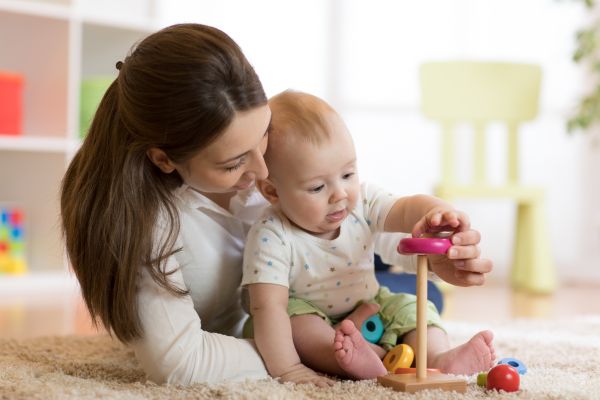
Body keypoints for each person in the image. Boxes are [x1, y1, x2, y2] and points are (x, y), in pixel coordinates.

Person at [60, 23, 493, 386]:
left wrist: (436, 247)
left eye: (263, 136)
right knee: (348, 322)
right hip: (286, 310)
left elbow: (355, 222)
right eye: (234, 164)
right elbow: (181, 362)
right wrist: (298, 356)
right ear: (164, 159)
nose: (265, 173)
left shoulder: (271, 168)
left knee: (421, 294)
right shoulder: (148, 227)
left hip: (331, 277)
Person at [241, 90, 496, 386]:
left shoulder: (362, 202)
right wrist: (289, 369)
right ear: (272, 191)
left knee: (414, 306)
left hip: (371, 302)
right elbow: (267, 307)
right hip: (314, 315)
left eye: (348, 174)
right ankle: (348, 358)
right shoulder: (272, 234)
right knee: (292, 324)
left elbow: (404, 208)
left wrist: (439, 213)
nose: (340, 194)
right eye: (316, 188)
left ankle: (438, 357)